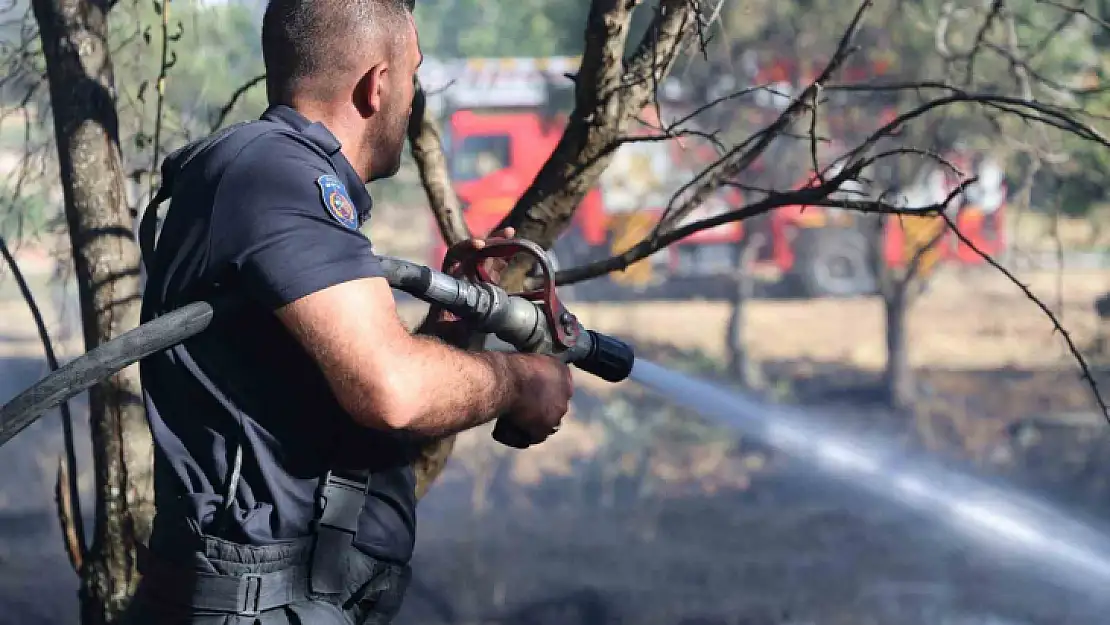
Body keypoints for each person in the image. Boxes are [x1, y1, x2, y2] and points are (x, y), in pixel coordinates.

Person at [121, 0, 574, 623]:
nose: (413, 98)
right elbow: (390, 390)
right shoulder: (277, 174)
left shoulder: (272, 175)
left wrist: (451, 324)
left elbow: (328, 391)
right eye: (413, 76)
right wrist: (522, 381)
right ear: (378, 84)